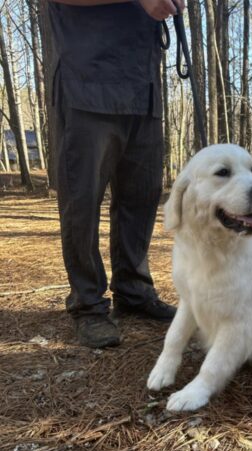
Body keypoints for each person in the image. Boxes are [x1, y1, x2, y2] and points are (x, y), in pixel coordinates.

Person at [49, 0, 185, 348]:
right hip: (86, 83)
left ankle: (134, 289)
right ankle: (87, 304)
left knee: (142, 195)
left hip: (143, 85)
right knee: (82, 202)